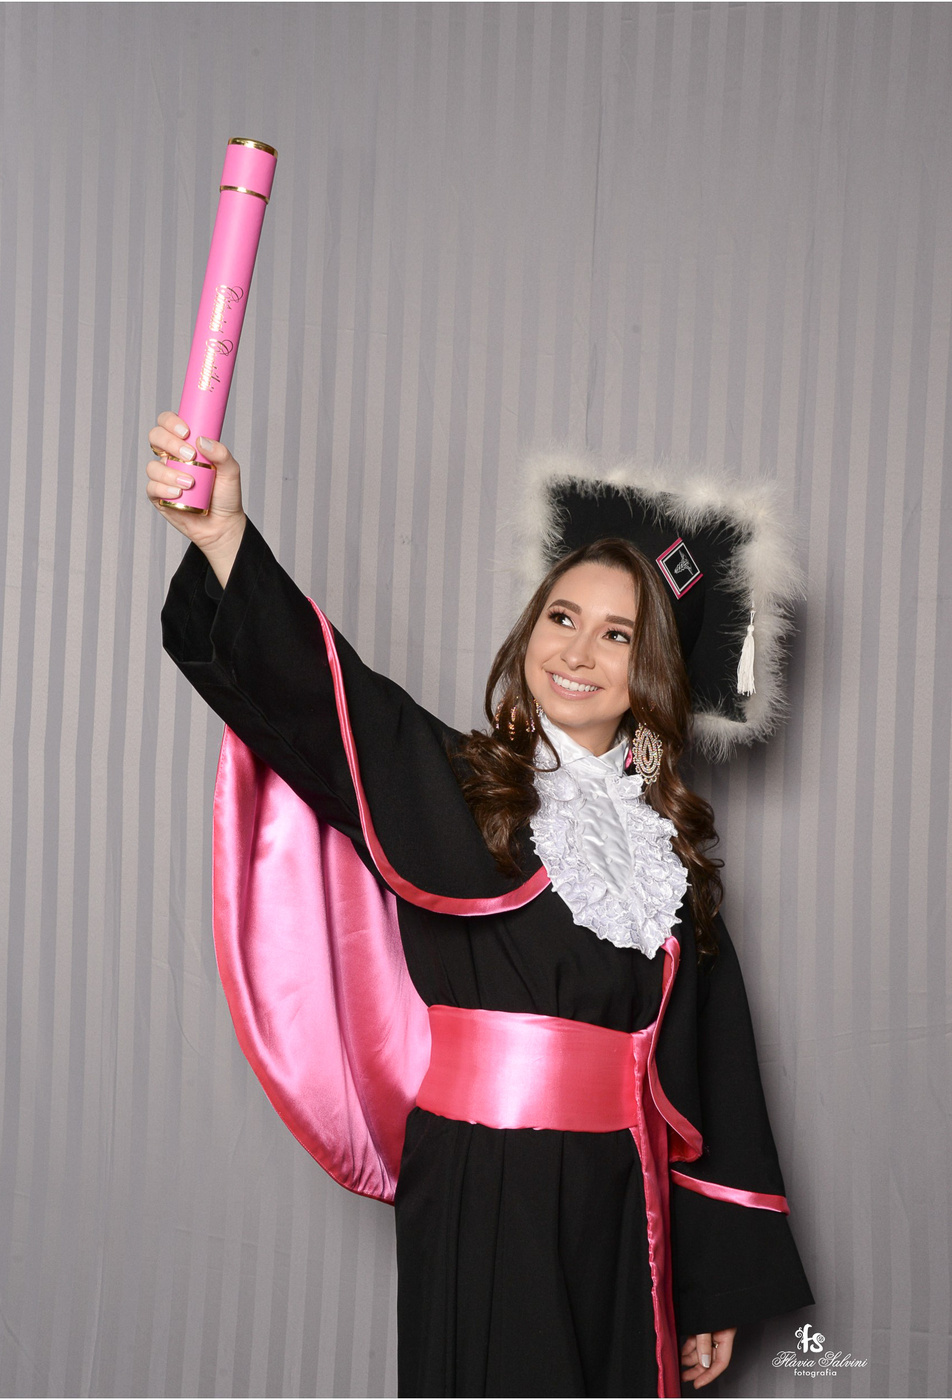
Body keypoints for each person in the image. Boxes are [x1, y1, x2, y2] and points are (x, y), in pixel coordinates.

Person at [147, 412, 814, 1398]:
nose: (578, 650)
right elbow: (330, 697)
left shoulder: (667, 851)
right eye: (561, 617)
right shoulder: (458, 784)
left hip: (623, 1196)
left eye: (618, 634)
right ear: (529, 629)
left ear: (653, 672)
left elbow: (715, 1071)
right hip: (483, 1179)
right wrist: (224, 537)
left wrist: (713, 1283)